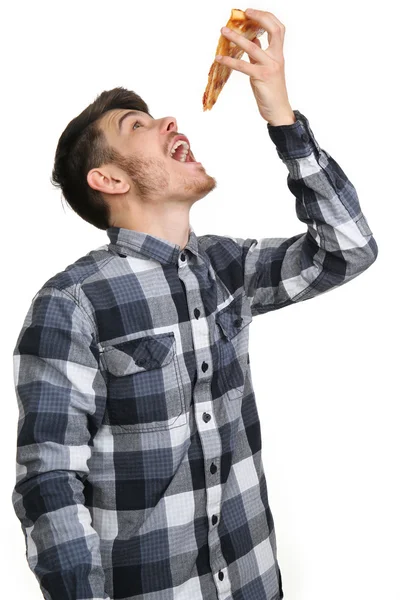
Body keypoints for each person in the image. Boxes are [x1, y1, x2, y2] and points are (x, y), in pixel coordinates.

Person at [11, 9, 378, 600]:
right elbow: (49, 482)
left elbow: (350, 248)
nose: (169, 120)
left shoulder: (227, 268)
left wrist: (280, 116)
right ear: (108, 180)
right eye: (139, 124)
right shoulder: (71, 303)